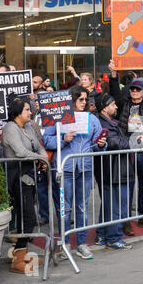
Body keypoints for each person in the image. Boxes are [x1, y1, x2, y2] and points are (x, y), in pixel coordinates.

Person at [42, 85, 107, 260]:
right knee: (65, 208)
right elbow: (46, 140)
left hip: (85, 168)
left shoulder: (92, 118)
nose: (84, 103)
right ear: (71, 100)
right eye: (81, 99)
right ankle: (64, 244)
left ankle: (82, 244)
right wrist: (62, 139)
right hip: (65, 168)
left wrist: (101, 144)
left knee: (82, 207)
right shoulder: (58, 117)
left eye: (86, 100)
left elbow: (96, 143)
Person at [109, 59, 143, 232]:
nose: (134, 91)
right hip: (128, 150)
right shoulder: (124, 103)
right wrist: (113, 74)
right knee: (128, 185)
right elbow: (115, 92)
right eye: (132, 88)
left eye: (137, 89)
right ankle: (126, 219)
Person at [1, 98, 48, 274]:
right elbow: (20, 152)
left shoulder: (28, 127)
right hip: (18, 178)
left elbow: (39, 147)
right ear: (18, 111)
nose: (31, 113)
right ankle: (18, 260)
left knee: (26, 217)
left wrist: (43, 157)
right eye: (27, 110)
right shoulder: (10, 128)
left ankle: (21, 253)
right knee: (28, 217)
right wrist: (39, 158)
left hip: (30, 177)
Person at [93, 93, 142, 250]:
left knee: (108, 205)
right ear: (105, 108)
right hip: (114, 171)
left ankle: (102, 234)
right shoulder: (103, 124)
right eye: (113, 104)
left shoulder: (109, 122)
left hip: (113, 170)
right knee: (116, 206)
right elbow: (116, 144)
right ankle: (113, 238)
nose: (116, 106)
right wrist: (135, 141)